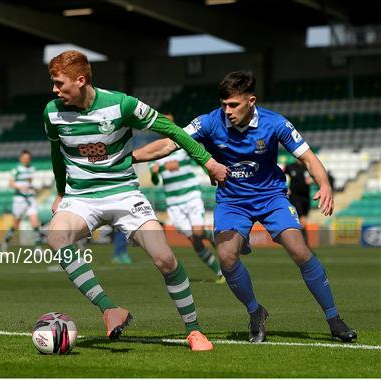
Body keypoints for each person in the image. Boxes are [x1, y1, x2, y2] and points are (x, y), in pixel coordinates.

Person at [132, 70, 356, 343]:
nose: (227, 111)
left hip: (272, 197)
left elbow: (308, 158)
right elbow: (169, 143)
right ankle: (255, 311)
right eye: (223, 104)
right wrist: (129, 157)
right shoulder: (208, 123)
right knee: (226, 257)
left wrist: (325, 185)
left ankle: (334, 319)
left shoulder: (276, 123)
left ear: (251, 101)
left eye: (234, 105)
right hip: (232, 201)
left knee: (299, 250)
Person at [43, 50, 228, 351]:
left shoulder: (121, 104)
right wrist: (62, 191)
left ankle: (194, 330)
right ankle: (108, 308)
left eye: (59, 83)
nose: (54, 90)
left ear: (81, 80)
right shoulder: (52, 111)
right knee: (55, 237)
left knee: (165, 258)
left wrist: (207, 161)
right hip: (81, 197)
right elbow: (56, 154)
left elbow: (169, 129)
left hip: (124, 194)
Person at [150, 114, 224, 283]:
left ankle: (211, 237)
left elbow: (200, 158)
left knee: (198, 232)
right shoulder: (156, 152)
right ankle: (220, 273)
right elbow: (155, 181)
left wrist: (211, 172)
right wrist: (154, 174)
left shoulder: (182, 145)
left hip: (191, 196)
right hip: (174, 204)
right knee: (195, 241)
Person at [1, 150, 45, 251]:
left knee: (35, 222)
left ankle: (38, 248)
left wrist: (35, 188)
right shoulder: (16, 169)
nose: (26, 160)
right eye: (24, 158)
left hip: (30, 198)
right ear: (21, 158)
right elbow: (10, 184)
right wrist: (20, 187)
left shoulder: (32, 169)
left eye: (28, 158)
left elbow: (30, 183)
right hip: (19, 199)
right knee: (16, 223)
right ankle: (5, 242)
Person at [284, 159, 313, 245]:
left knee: (303, 220)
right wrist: (285, 187)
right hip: (295, 197)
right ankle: (304, 244)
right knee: (302, 219)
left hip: (306, 197)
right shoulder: (290, 166)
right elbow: (281, 176)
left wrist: (312, 180)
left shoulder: (307, 166)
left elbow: (314, 176)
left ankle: (301, 243)